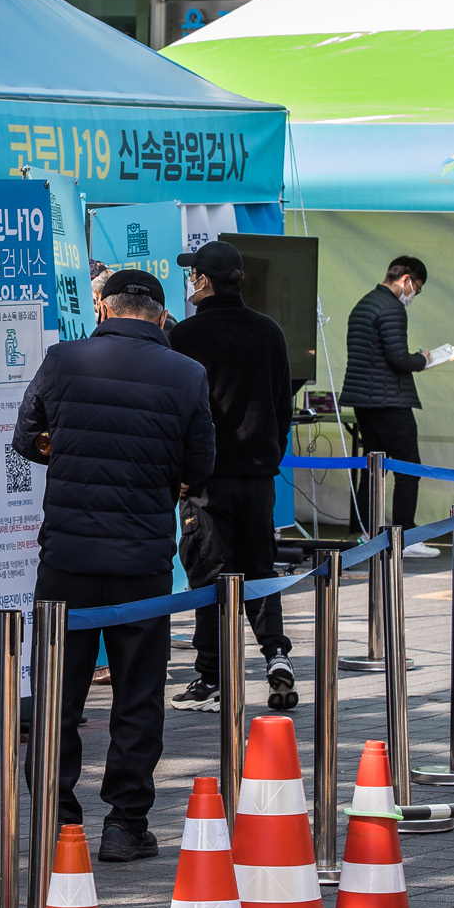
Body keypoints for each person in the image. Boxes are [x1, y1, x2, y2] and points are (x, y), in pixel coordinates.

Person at [14, 269, 215, 863]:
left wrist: (66, 445)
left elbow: (27, 440)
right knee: (137, 695)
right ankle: (125, 825)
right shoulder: (187, 374)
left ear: (104, 307)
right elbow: (200, 462)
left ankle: (56, 820)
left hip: (67, 561)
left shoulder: (62, 359)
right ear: (158, 315)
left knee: (58, 694)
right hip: (142, 562)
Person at [164, 241, 296, 714]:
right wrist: (268, 455)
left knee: (210, 576)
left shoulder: (187, 338)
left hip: (207, 480)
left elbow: (178, 415)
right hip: (260, 478)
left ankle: (211, 677)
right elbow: (283, 406)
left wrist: (180, 473)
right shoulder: (269, 332)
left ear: (202, 280)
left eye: (192, 275)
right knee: (260, 569)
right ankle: (276, 653)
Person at [342, 256, 440, 558]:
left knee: (374, 468)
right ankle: (406, 536)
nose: (414, 295)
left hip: (363, 399)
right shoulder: (392, 308)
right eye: (417, 288)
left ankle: (368, 533)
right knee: (408, 468)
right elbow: (398, 358)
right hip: (389, 400)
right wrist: (424, 358)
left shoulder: (364, 303)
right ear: (406, 279)